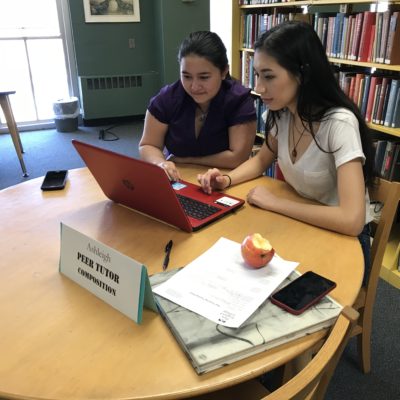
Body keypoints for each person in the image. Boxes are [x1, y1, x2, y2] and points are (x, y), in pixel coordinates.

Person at [198, 21, 375, 278]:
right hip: (303, 223)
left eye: (268, 76)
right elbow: (260, 162)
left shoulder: (339, 124)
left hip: (344, 243)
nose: (258, 87)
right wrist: (225, 179)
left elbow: (351, 220)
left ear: (301, 74)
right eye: (257, 75)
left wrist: (275, 204)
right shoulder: (283, 114)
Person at [139, 31, 257, 181]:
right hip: (179, 179)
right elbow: (148, 145)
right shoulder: (167, 98)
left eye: (204, 77)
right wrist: (160, 163)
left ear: (224, 72)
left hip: (225, 180)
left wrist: (185, 159)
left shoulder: (239, 100)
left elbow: (237, 158)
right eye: (186, 76)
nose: (194, 86)